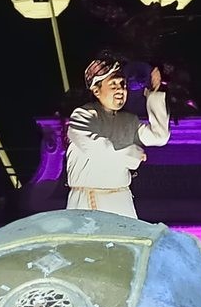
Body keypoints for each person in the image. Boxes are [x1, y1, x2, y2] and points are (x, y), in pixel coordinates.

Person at [64, 59, 170, 215]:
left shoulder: (129, 121)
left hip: (122, 201)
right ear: (96, 90)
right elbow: (96, 148)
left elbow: (160, 136)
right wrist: (129, 155)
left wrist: (154, 94)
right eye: (113, 85)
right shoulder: (83, 116)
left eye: (123, 85)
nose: (120, 90)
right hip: (86, 201)